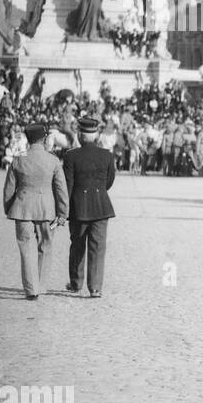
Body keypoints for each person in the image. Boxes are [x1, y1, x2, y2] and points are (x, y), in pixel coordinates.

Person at [3, 122, 69, 300]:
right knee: (45, 246)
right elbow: (61, 189)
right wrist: (63, 213)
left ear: (28, 138)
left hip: (22, 208)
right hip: (46, 209)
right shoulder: (53, 160)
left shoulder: (19, 159)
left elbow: (9, 189)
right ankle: (40, 285)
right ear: (44, 138)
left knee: (26, 248)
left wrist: (8, 208)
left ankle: (31, 289)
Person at [63, 117, 116, 298]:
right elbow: (109, 182)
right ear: (96, 135)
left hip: (78, 207)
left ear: (79, 134)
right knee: (98, 247)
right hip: (101, 206)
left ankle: (76, 283)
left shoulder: (71, 156)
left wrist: (64, 209)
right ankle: (95, 288)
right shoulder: (107, 155)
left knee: (77, 246)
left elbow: (68, 185)